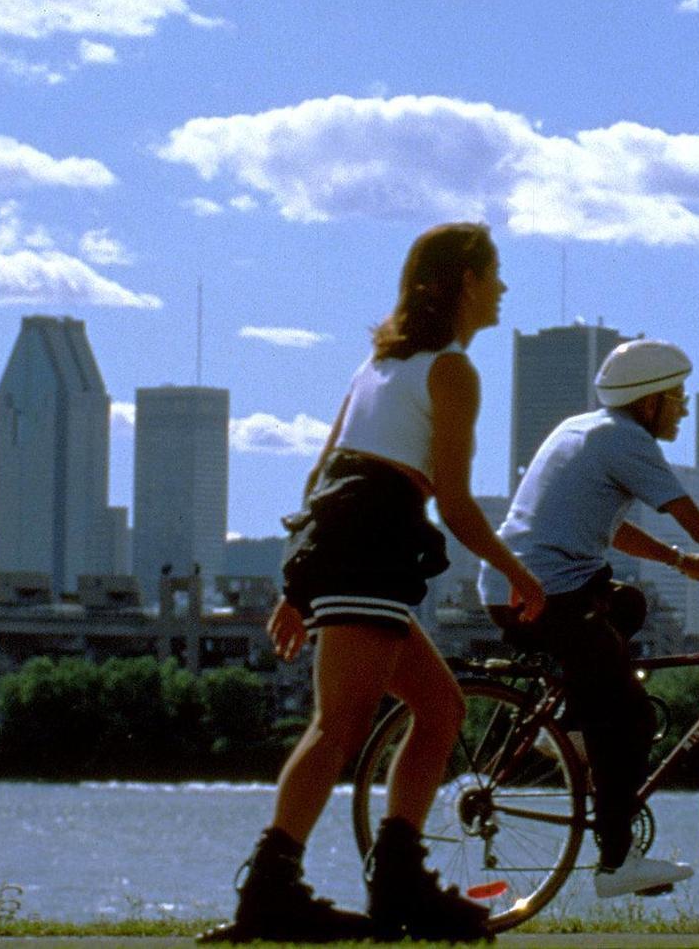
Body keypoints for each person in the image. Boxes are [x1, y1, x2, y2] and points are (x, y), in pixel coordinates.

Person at [203, 223, 546, 945]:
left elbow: (319, 475)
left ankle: (396, 881)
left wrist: (300, 582)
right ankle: (272, 892)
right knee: (341, 723)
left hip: (350, 539)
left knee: (439, 707)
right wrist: (517, 573)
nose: (504, 288)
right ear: (463, 282)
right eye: (495, 273)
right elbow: (452, 502)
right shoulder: (449, 371)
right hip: (374, 539)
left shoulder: (379, 367)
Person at [480, 339, 699, 899]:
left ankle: (570, 728)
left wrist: (681, 563)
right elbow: (697, 522)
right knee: (629, 721)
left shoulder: (583, 429)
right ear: (649, 402)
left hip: (520, 587)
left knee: (628, 604)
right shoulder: (628, 440)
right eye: (677, 396)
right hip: (544, 596)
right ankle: (615, 861)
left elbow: (609, 528)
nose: (684, 406)